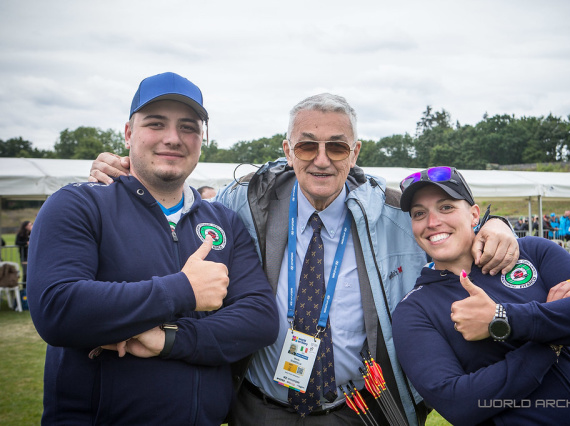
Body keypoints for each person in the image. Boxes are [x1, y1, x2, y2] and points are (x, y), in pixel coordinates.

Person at [89, 93, 519, 426]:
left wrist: (497, 224)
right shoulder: (243, 203)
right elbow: (177, 210)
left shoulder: (395, 213)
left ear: (355, 153)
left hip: (357, 409)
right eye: (307, 145)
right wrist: (128, 175)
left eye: (337, 146)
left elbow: (452, 227)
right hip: (259, 408)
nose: (321, 159)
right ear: (287, 148)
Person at [27, 72, 279, 425]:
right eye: (156, 123)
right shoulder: (78, 204)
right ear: (128, 133)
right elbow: (57, 308)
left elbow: (260, 319)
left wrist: (166, 340)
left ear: (202, 139)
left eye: (188, 127)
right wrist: (182, 290)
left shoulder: (223, 220)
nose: (173, 138)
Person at [392, 166, 570, 425]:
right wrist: (551, 340)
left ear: (474, 214)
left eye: (446, 207)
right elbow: (459, 404)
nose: (432, 222)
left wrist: (502, 319)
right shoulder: (414, 309)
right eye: (419, 213)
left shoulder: (533, 251)